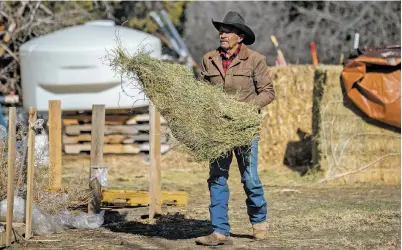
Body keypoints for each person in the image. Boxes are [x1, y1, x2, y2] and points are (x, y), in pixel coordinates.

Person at [195, 11, 275, 246]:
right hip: (218, 130)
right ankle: (220, 231)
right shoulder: (208, 59)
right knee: (217, 178)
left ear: (240, 36)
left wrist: (246, 109)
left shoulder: (255, 60)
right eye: (221, 30)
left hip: (245, 128)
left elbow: (268, 93)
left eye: (228, 31)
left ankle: (259, 222)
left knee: (250, 178)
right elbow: (200, 93)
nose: (222, 34)